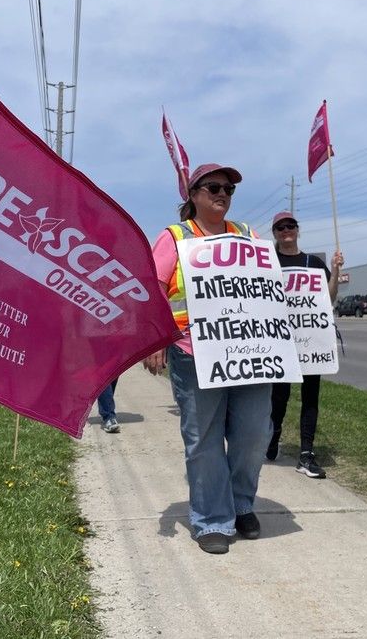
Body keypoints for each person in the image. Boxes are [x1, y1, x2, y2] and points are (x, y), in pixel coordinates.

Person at [143, 163, 273, 555]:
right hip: (193, 353)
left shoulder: (248, 236)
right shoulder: (175, 237)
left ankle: (240, 503)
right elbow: (153, 288)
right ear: (193, 195)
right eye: (213, 187)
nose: (222, 193)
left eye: (229, 189)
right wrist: (153, 341)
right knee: (204, 440)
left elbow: (267, 289)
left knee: (253, 436)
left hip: (250, 353)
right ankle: (212, 519)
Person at [267, 211, 344, 479]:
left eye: (290, 226)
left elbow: (328, 298)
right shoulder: (269, 263)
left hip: (311, 342)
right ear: (274, 233)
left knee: (311, 397)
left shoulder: (312, 262)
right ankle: (272, 439)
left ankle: (306, 454)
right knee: (279, 397)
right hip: (280, 341)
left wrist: (334, 271)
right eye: (280, 227)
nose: (285, 230)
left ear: (297, 230)